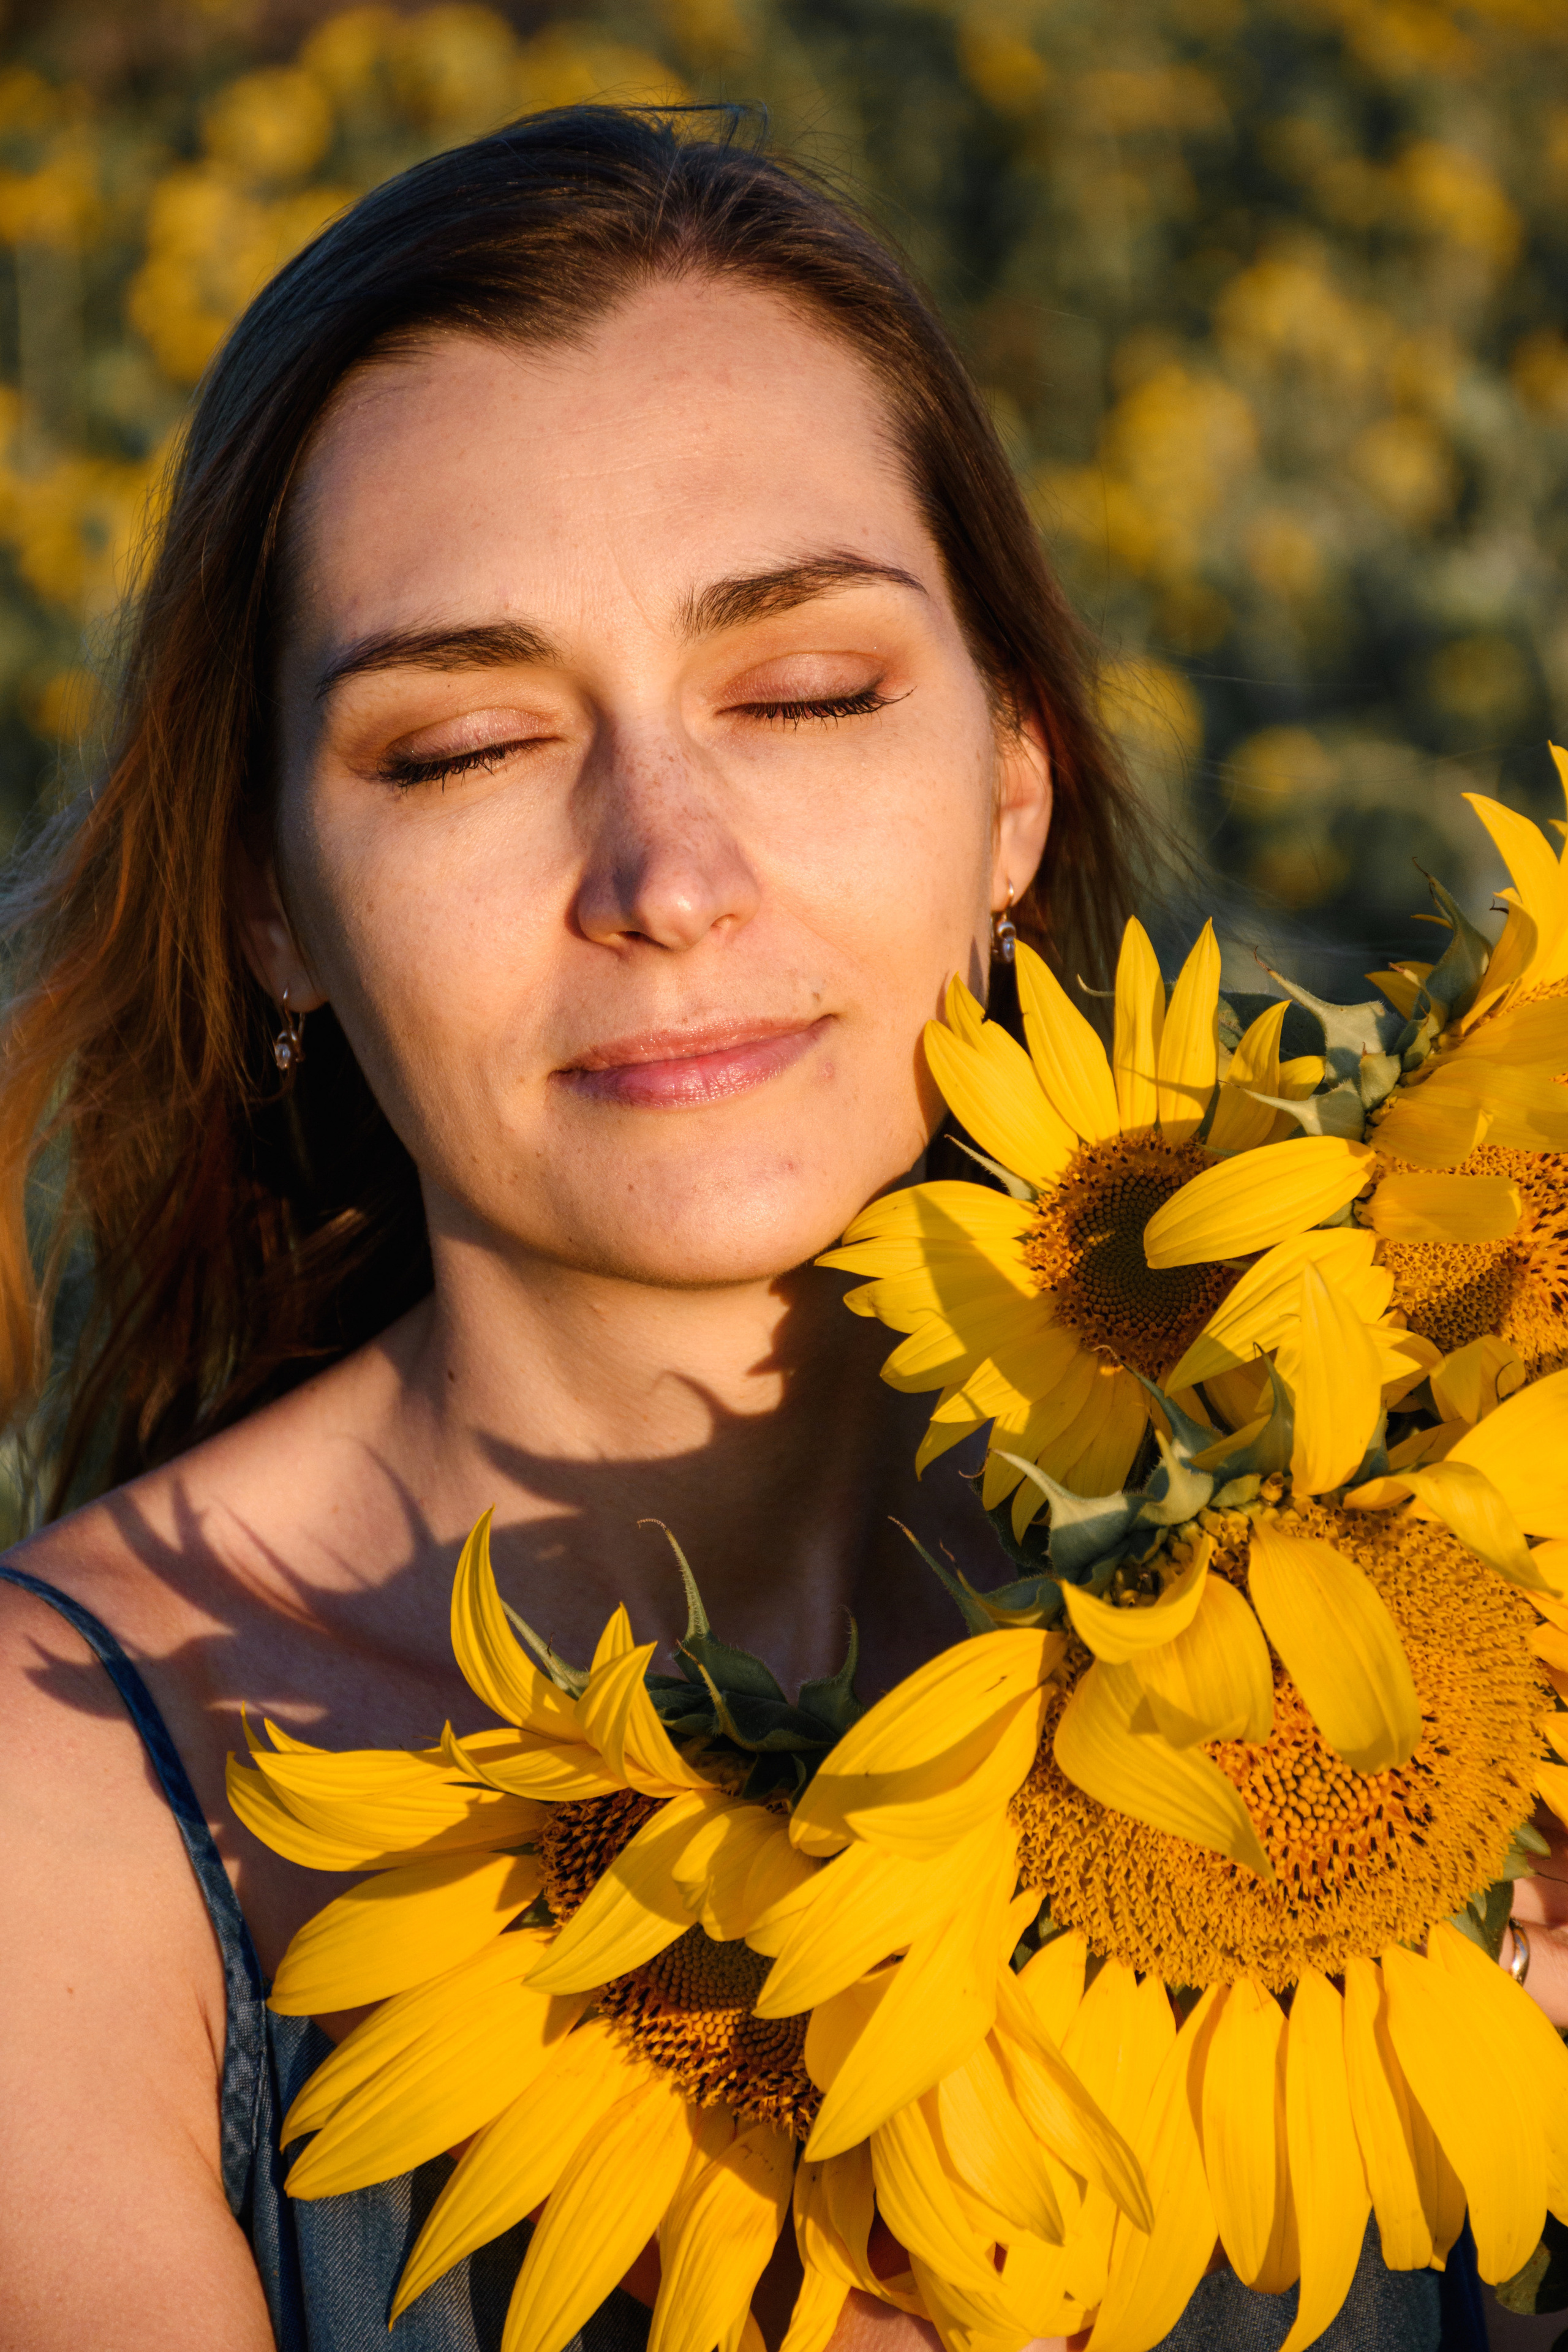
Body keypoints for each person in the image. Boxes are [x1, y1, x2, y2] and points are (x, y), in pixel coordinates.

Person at [0, 105, 1553, 2352]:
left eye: (805, 694)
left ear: (1013, 777)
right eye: (459, 746)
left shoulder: (1445, 1554)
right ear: (270, 905)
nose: (669, 872)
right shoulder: (66, 1821)